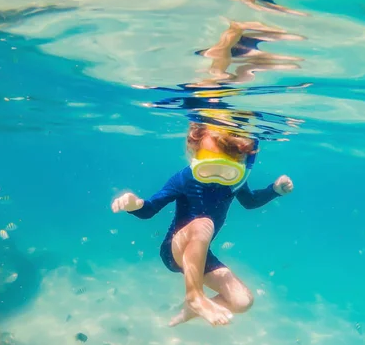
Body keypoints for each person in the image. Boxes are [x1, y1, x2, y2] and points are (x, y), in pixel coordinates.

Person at [111, 122, 293, 327]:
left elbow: (249, 202)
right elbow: (150, 210)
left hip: (201, 255)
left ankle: (190, 309)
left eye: (226, 169)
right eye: (208, 165)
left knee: (243, 301)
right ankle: (194, 298)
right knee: (203, 224)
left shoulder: (235, 181)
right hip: (174, 250)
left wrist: (274, 190)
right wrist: (134, 204)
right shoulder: (185, 178)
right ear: (194, 154)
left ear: (238, 164)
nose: (217, 175)